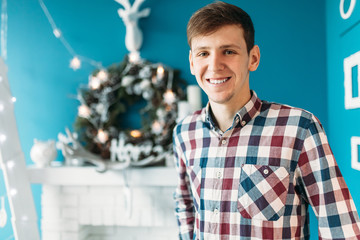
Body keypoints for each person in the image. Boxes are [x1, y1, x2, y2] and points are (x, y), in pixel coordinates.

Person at [172, 1, 360, 239]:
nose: (215, 65)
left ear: (253, 58)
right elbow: (185, 203)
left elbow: (341, 227)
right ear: (191, 62)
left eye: (228, 51)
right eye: (203, 53)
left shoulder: (300, 129)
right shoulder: (184, 132)